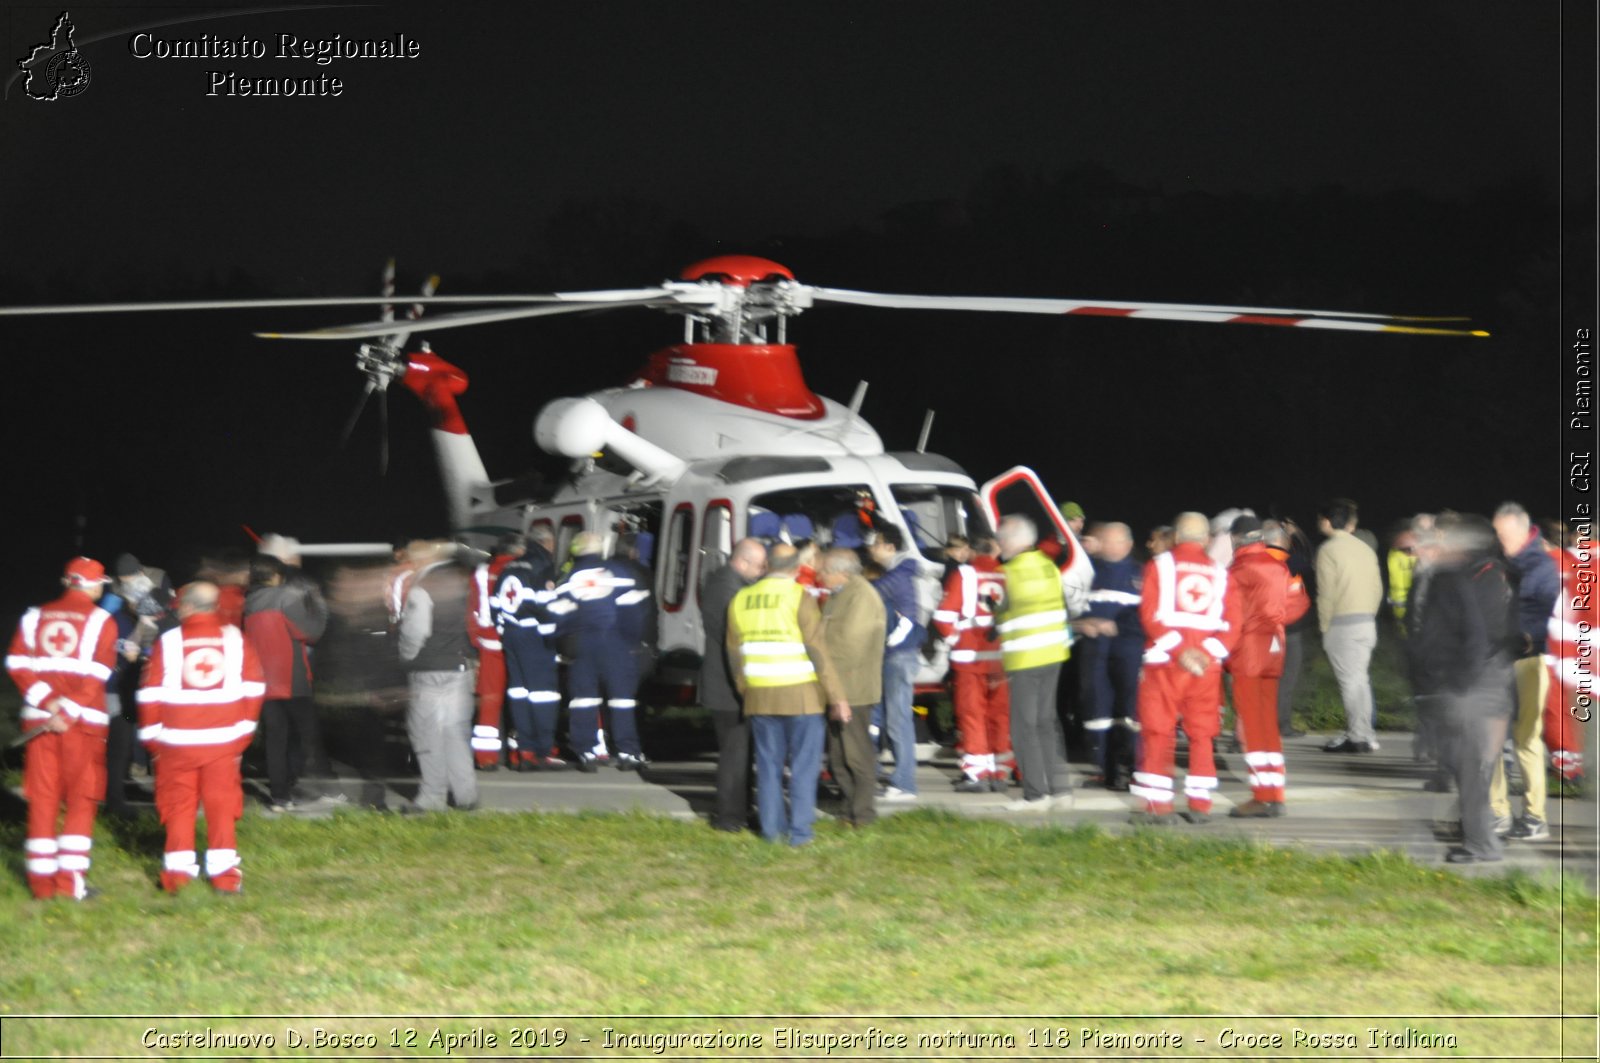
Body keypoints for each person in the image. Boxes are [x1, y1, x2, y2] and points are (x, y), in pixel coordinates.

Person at [137, 582, 264, 893]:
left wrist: (153, 740)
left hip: (177, 741)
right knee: (221, 805)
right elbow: (255, 688)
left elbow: (150, 694)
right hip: (223, 741)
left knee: (179, 805)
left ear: (188, 606)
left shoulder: (169, 641)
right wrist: (242, 736)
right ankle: (225, 876)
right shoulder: (236, 639)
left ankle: (178, 875)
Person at [1408, 514, 1518, 863]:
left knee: (1469, 764)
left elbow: (1477, 634)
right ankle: (1476, 830)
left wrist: (1460, 683)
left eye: (1446, 538)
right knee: (1463, 762)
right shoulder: (1474, 574)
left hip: (1474, 682)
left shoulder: (1478, 576)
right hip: (1471, 680)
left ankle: (1481, 842)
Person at [7, 557, 119, 900]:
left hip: (40, 723)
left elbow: (16, 663)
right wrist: (67, 709)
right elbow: (98, 675)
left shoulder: (33, 616)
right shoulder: (102, 621)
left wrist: (49, 703)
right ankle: (70, 884)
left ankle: (40, 884)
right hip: (82, 724)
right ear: (93, 585)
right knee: (81, 800)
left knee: (42, 798)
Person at [727, 543, 847, 845]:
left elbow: (734, 655)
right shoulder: (798, 597)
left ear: (767, 566)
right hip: (801, 696)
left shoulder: (740, 599)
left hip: (760, 696)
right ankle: (800, 834)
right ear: (796, 569)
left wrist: (746, 690)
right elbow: (817, 651)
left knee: (767, 768)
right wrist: (836, 697)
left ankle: (771, 831)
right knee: (803, 770)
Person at [1131, 512, 1241, 824]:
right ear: (1206, 540)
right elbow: (1234, 624)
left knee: (1158, 731)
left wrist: (1180, 651)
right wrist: (1206, 654)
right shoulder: (1221, 574)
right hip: (1205, 670)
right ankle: (1200, 803)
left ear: (1176, 537)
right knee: (1202, 733)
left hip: (1164, 664)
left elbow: (1150, 615)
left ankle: (1157, 805)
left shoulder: (1159, 566)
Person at [1226, 516, 1309, 817]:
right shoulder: (1279, 565)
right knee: (1267, 724)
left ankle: (1262, 796)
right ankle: (1275, 793)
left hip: (1248, 653)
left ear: (1235, 539)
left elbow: (1229, 617)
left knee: (1251, 726)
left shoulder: (1236, 571)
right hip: (1275, 649)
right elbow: (1298, 603)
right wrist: (1273, 620)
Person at [549, 532, 651, 771]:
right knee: (622, 700)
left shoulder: (569, 577)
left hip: (582, 644)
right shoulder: (619, 573)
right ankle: (628, 752)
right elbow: (635, 611)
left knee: (583, 700)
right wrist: (631, 642)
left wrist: (565, 641)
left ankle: (586, 751)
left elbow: (556, 614)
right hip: (616, 642)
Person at [993, 515, 1073, 812]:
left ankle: (1035, 795)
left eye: (1001, 541)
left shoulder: (1006, 573)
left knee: (1024, 726)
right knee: (1046, 723)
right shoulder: (1049, 566)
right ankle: (1060, 790)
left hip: (1025, 656)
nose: (999, 546)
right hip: (1054, 654)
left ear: (1012, 541)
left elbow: (992, 612)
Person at [1489, 502, 1559, 840]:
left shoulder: (1542, 566)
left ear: (1523, 529)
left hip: (1530, 662)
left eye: (1505, 535)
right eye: (1497, 534)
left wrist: (1533, 637)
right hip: (1497, 660)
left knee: (1526, 738)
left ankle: (1534, 817)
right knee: (1491, 737)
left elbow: (1556, 614)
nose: (1500, 541)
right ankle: (1497, 813)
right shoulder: (1500, 560)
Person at [244, 553, 331, 812]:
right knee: (308, 736)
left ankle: (280, 796)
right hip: (292, 679)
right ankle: (322, 790)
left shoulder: (249, 602)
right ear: (275, 574)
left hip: (264, 681)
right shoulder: (286, 597)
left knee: (276, 738)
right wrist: (319, 606)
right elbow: (310, 633)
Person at [397, 540, 478, 812]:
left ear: (418, 561)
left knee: (427, 734)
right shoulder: (461, 581)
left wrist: (405, 656)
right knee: (455, 733)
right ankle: (465, 794)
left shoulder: (423, 587)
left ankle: (432, 797)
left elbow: (415, 631)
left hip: (429, 669)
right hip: (459, 665)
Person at [933, 534, 1012, 792]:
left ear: (971, 550)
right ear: (995, 549)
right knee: (999, 715)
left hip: (970, 658)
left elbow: (944, 616)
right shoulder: (1007, 573)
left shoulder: (965, 574)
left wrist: (956, 638)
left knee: (972, 714)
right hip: (1001, 658)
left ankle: (977, 773)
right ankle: (1000, 772)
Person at [699, 538, 767, 831]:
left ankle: (739, 809)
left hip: (729, 685)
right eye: (760, 565)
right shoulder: (726, 588)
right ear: (742, 561)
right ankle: (730, 817)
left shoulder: (729, 584)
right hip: (727, 688)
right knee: (734, 754)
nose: (763, 571)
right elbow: (734, 638)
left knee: (740, 753)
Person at [1072, 522, 1144, 791]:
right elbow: (1073, 609)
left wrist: (1117, 627)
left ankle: (1132, 768)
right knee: (1097, 711)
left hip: (1129, 653)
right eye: (1101, 540)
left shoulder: (1140, 575)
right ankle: (1104, 768)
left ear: (1125, 545)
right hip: (1094, 653)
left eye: (1109, 540)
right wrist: (1082, 624)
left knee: (1130, 713)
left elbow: (1148, 617)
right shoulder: (1089, 572)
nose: (1102, 544)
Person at [819, 547, 887, 827]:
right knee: (837, 757)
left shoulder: (861, 596)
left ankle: (863, 815)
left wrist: (816, 653)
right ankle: (849, 809)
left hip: (853, 691)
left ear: (841, 572)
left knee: (856, 755)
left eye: (824, 570)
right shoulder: (842, 595)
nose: (820, 575)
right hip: (837, 689)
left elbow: (851, 646)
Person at [493, 527, 567, 771]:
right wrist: (551, 635)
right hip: (534, 636)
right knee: (543, 694)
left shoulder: (510, 567)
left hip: (512, 636)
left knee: (519, 693)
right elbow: (545, 606)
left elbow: (496, 604)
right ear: (547, 543)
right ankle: (543, 751)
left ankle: (524, 749)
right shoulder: (542, 564)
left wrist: (504, 630)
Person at [1315, 498, 1384, 753]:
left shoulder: (1328, 550)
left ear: (1326, 520)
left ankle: (1357, 736)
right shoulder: (1364, 548)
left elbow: (1327, 594)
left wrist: (1324, 628)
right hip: (1366, 622)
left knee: (1350, 683)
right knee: (1360, 680)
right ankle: (1364, 732)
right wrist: (1369, 614)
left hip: (1342, 624)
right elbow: (1377, 588)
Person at [867, 524, 924, 802]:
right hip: (897, 654)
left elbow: (872, 594)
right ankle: (900, 780)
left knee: (898, 721)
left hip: (899, 655)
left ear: (890, 547)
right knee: (894, 719)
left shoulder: (897, 576)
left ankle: (905, 784)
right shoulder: (899, 574)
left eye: (875, 544)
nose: (871, 549)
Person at [468, 533, 525, 770]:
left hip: (489, 645)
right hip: (520, 643)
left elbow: (472, 609)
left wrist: (477, 641)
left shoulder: (482, 572)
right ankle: (519, 753)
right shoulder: (523, 570)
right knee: (520, 699)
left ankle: (486, 757)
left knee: (490, 701)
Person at [1273, 518, 1315, 738]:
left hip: (1268, 629)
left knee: (1266, 679)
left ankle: (1259, 725)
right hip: (1290, 630)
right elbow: (1309, 558)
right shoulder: (1290, 561)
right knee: (1287, 679)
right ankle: (1282, 725)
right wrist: (1298, 534)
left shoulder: (1260, 559)